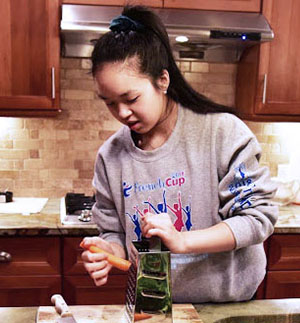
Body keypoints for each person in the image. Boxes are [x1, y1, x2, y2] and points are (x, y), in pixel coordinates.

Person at [80, 5, 278, 303]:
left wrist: (182, 241)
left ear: (163, 80)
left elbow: (257, 218)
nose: (121, 113)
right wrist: (109, 251)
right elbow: (113, 232)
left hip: (227, 307)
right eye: (109, 103)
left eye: (131, 98)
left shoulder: (222, 133)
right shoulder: (111, 156)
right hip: (154, 305)